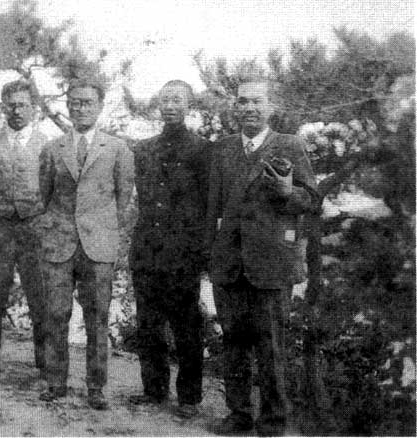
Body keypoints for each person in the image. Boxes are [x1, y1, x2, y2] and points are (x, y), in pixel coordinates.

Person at [206, 79, 318, 436]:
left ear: (270, 107)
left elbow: (312, 201)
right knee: (234, 341)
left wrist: (288, 192)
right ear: (234, 108)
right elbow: (213, 209)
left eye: (257, 102)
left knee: (272, 346)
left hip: (270, 264)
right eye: (243, 102)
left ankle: (274, 422)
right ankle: (239, 414)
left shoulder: (289, 144)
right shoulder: (223, 149)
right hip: (229, 264)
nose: (249, 108)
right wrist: (212, 256)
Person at [36, 78, 134, 410]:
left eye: (88, 102)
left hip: (99, 245)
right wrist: (55, 230)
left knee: (97, 316)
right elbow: (44, 195)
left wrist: (106, 232)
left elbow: (123, 199)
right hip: (59, 242)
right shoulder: (53, 148)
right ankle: (55, 382)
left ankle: (96, 387)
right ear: (68, 106)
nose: (80, 108)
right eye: (75, 102)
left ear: (100, 106)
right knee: (56, 313)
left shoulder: (117, 148)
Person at [129, 80, 210, 419]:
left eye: (177, 100)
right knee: (148, 325)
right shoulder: (143, 149)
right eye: (165, 100)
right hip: (147, 250)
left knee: (187, 326)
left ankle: (189, 397)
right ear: (157, 106)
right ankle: (153, 389)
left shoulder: (204, 150)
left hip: (184, 254)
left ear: (189, 106)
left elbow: (209, 206)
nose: (170, 106)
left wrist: (201, 252)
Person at [0, 80, 48, 379]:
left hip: (35, 227)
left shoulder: (48, 144)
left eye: (23, 105)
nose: (16, 111)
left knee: (40, 294)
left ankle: (46, 361)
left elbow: (54, 189)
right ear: (3, 108)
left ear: (34, 109)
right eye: (11, 105)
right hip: (0, 225)